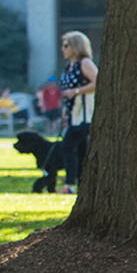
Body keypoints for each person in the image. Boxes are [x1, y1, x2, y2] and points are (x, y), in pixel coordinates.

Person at [57, 31, 97, 194]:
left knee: (68, 146)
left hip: (84, 116)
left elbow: (98, 81)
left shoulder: (84, 63)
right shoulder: (69, 66)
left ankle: (70, 185)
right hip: (73, 115)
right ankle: (84, 185)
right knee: (81, 150)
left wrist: (77, 91)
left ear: (76, 46)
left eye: (66, 45)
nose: (63, 49)